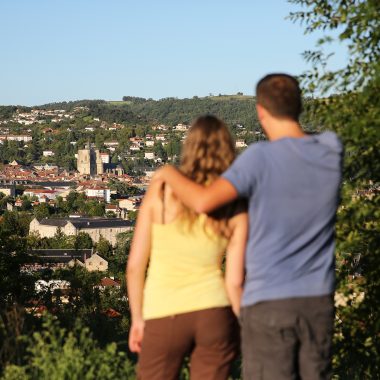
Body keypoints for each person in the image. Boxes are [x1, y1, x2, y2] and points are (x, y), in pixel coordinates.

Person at [154, 74, 343, 380]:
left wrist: (167, 172)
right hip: (317, 300)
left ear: (260, 112)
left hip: (267, 301)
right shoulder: (331, 149)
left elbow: (204, 202)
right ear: (298, 106)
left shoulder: (259, 158)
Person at [126, 115, 248, 380]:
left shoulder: (161, 192)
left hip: (164, 311)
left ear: (188, 147)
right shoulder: (235, 205)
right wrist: (242, 325)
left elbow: (135, 267)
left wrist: (137, 319)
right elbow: (235, 281)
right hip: (214, 312)